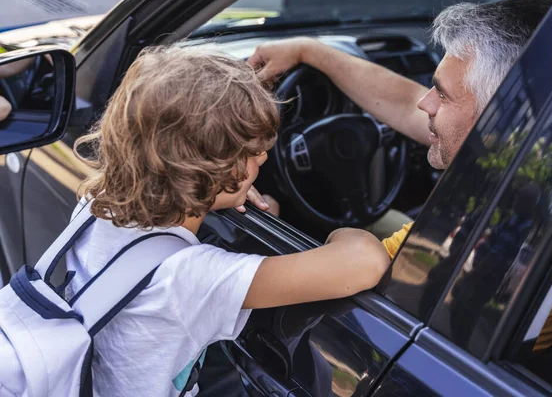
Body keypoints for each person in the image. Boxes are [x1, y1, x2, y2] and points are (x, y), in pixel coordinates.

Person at [68, 45, 390, 396]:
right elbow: (366, 261)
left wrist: (218, 191)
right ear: (210, 169)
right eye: (253, 153)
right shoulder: (191, 278)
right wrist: (344, 231)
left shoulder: (95, 206)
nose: (265, 159)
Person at [247, 0, 552, 255]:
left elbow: (347, 271)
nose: (425, 104)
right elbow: (406, 102)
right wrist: (306, 51)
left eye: (443, 96)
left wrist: (267, 223)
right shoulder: (536, 167)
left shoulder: (479, 221)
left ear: (496, 115)